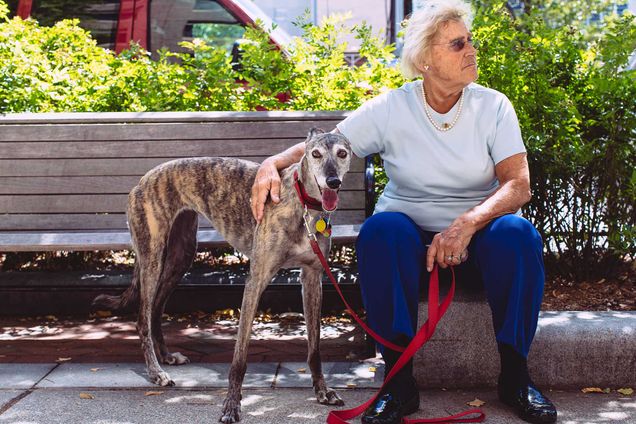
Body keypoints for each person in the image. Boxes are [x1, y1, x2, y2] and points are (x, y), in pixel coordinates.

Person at [250, 1, 557, 423]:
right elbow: (326, 143)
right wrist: (273, 164)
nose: (471, 51)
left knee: (518, 237)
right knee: (382, 231)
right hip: (411, 249)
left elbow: (518, 184)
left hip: (479, 243)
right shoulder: (392, 108)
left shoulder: (493, 106)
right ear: (426, 59)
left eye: (471, 42)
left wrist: (467, 224)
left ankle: (516, 378)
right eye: (458, 44)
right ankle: (398, 384)